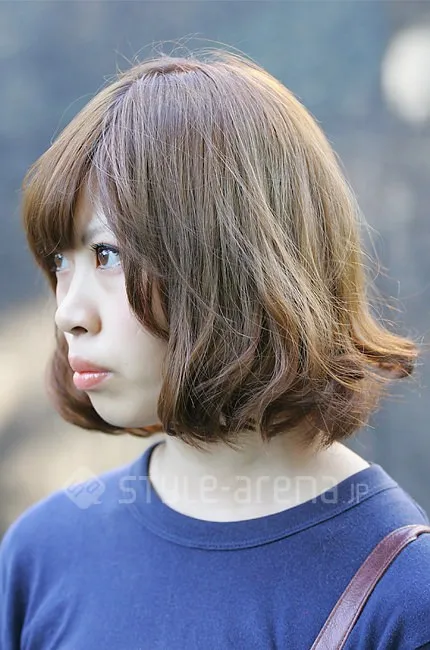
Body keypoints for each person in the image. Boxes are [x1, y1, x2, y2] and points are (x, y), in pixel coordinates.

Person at [1, 48, 429, 650]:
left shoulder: (401, 595)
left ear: (234, 262)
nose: (67, 311)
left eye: (107, 254)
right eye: (59, 262)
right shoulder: (41, 555)